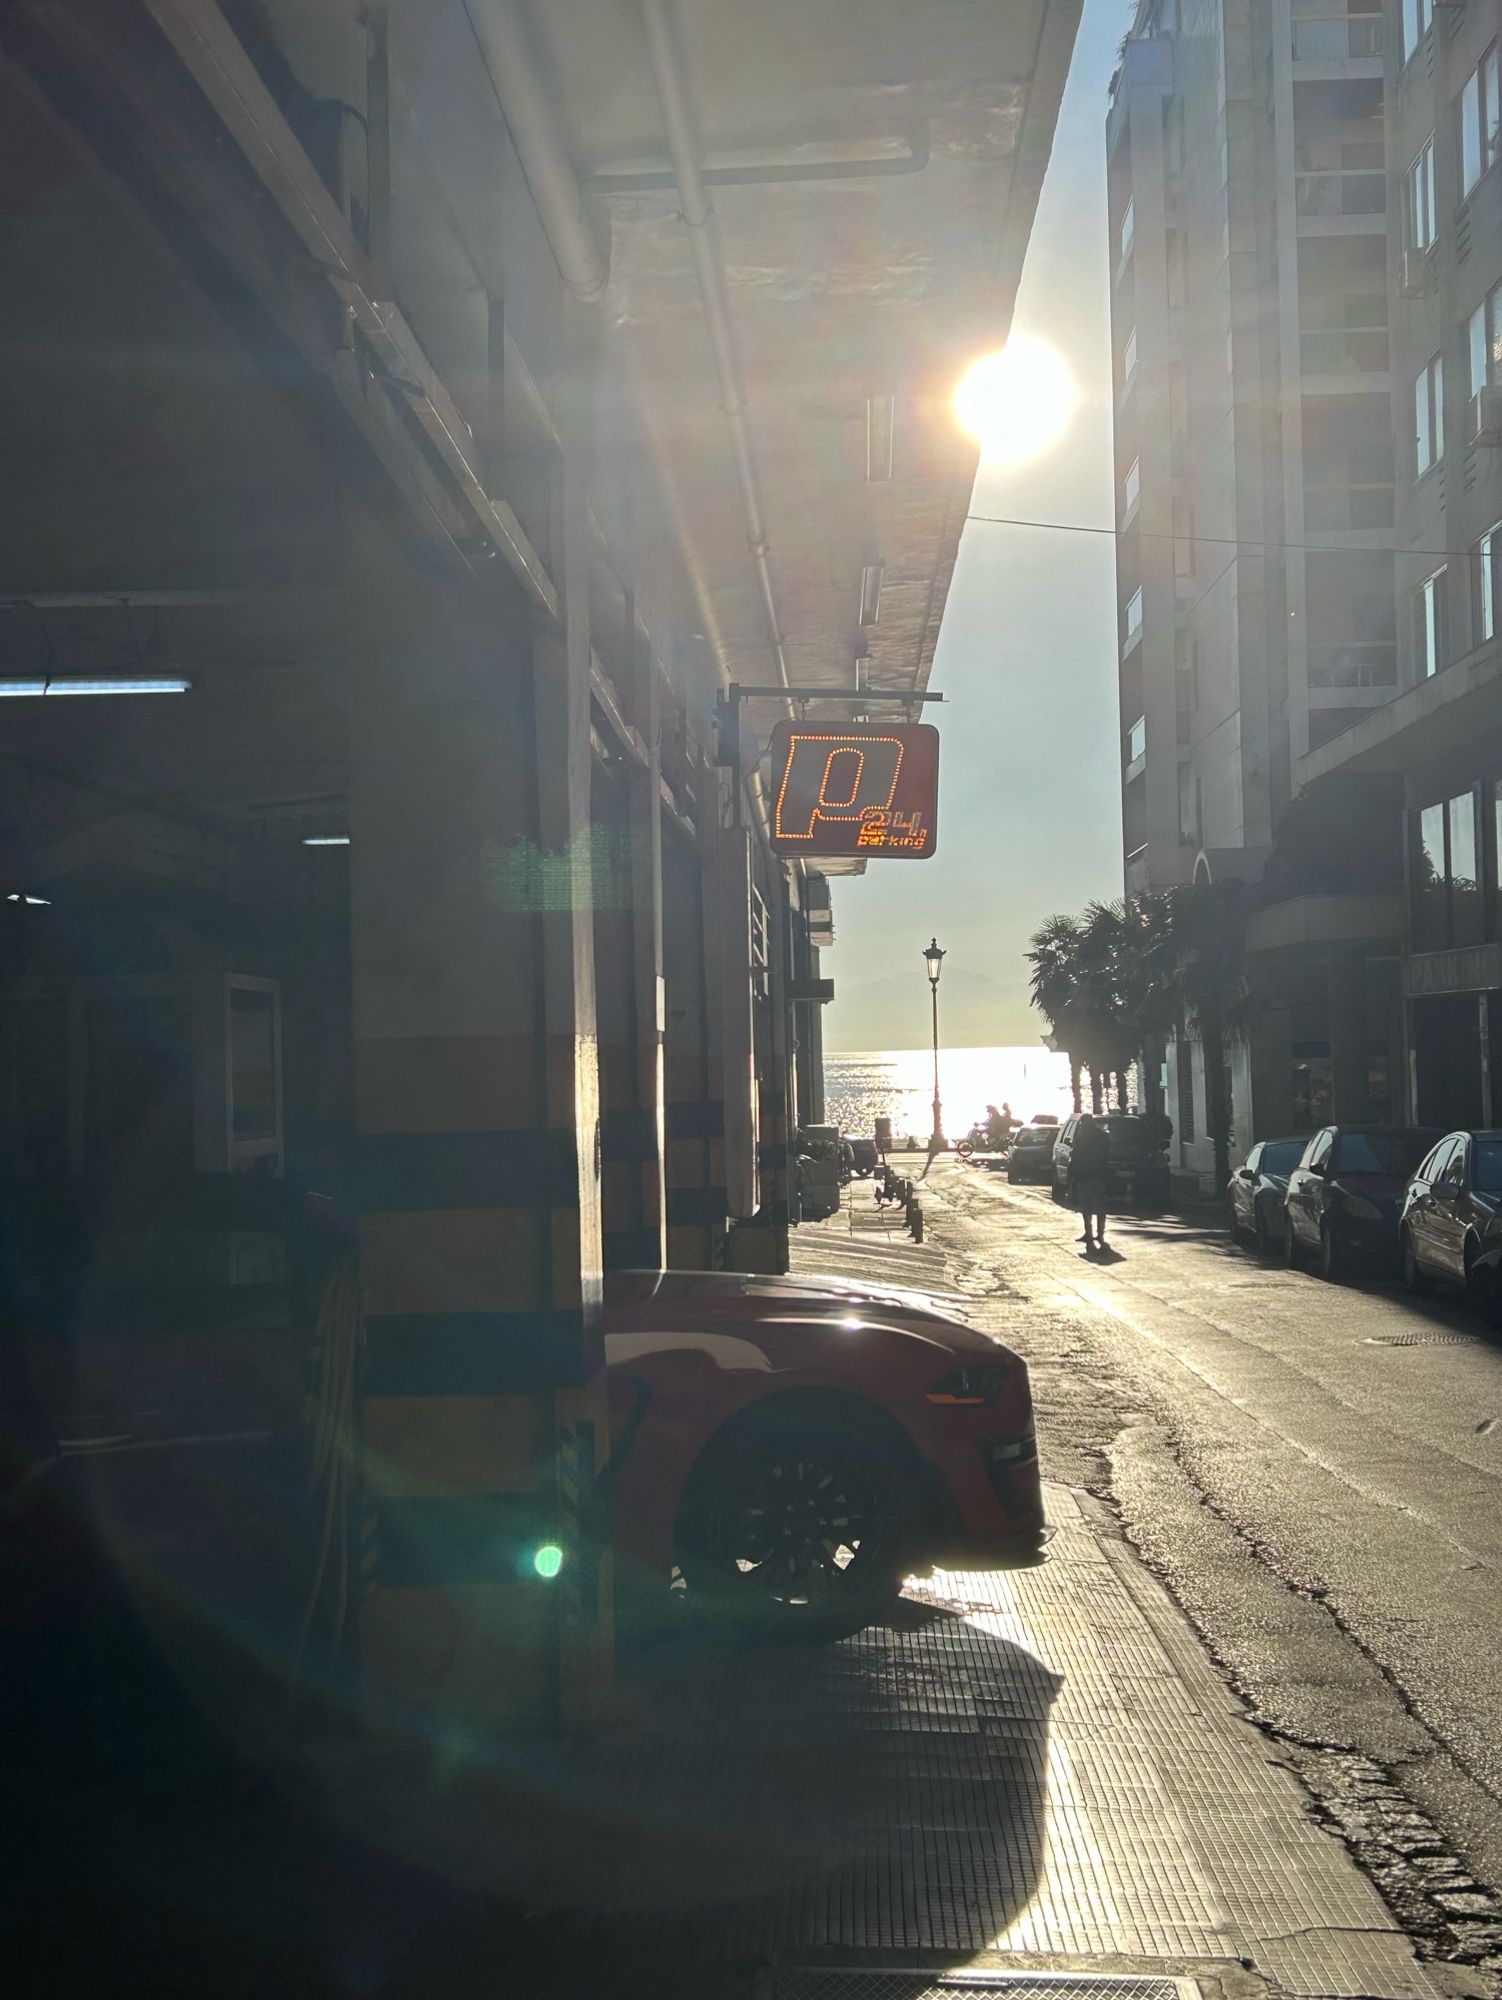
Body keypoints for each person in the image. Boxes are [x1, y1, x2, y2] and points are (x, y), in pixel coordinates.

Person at [1070, 1110, 1112, 1254]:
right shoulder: (1103, 1137)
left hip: (1085, 1176)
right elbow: (1106, 1155)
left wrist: (1073, 1176)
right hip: (1099, 1175)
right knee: (1099, 1206)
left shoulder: (1081, 1137)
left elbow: (1075, 1157)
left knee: (1086, 1206)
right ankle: (1099, 1234)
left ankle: (1090, 1233)